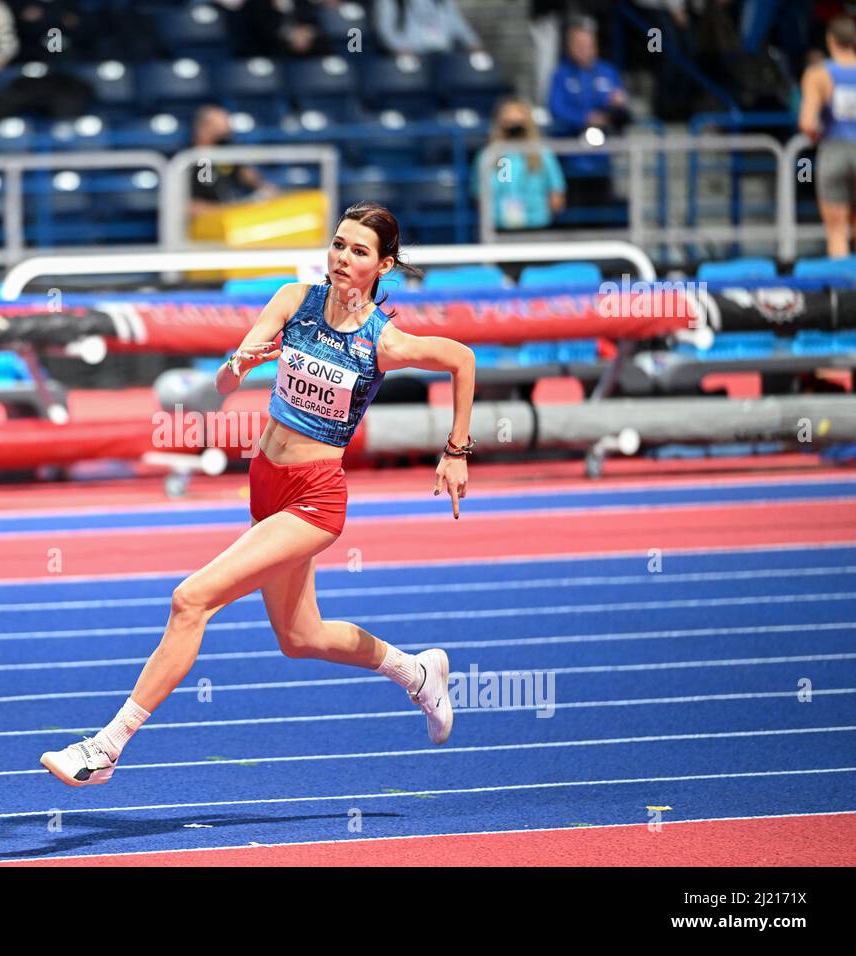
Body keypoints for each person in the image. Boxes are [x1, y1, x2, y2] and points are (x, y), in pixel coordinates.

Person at [40, 200, 476, 786]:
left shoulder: (384, 341)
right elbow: (219, 385)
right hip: (266, 483)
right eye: (339, 245)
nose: (343, 258)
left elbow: (462, 358)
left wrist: (455, 451)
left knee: (191, 600)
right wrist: (236, 367)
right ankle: (416, 671)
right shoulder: (293, 302)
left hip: (315, 500)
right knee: (301, 638)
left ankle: (106, 748)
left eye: (359, 252)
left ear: (385, 266)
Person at [547, 17, 629, 215]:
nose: (584, 49)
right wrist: (585, 118)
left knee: (603, 214)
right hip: (571, 159)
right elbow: (556, 108)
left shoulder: (607, 72)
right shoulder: (561, 75)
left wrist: (618, 104)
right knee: (575, 217)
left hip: (602, 158)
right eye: (579, 45)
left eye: (588, 45)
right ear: (569, 47)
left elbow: (622, 106)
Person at [799, 15, 856, 258]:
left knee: (837, 231)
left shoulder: (818, 75)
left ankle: (843, 294)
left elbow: (807, 123)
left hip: (834, 150)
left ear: (830, 40)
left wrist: (815, 136)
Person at [471, 98, 566, 232]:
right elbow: (479, 196)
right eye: (509, 122)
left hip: (536, 225)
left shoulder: (542, 154)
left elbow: (556, 196)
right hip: (499, 227)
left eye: (518, 123)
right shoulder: (488, 156)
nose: (514, 128)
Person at [188, 104, 275, 219]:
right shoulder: (187, 161)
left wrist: (262, 188)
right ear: (205, 127)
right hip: (205, 225)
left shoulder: (225, 151)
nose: (227, 128)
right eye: (220, 124)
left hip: (232, 218)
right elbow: (188, 207)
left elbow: (247, 174)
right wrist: (225, 211)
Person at [373, 0, 486, 56]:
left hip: (444, 56)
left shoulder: (444, 1)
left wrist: (473, 44)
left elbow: (459, 26)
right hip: (413, 56)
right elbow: (385, 32)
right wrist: (400, 50)